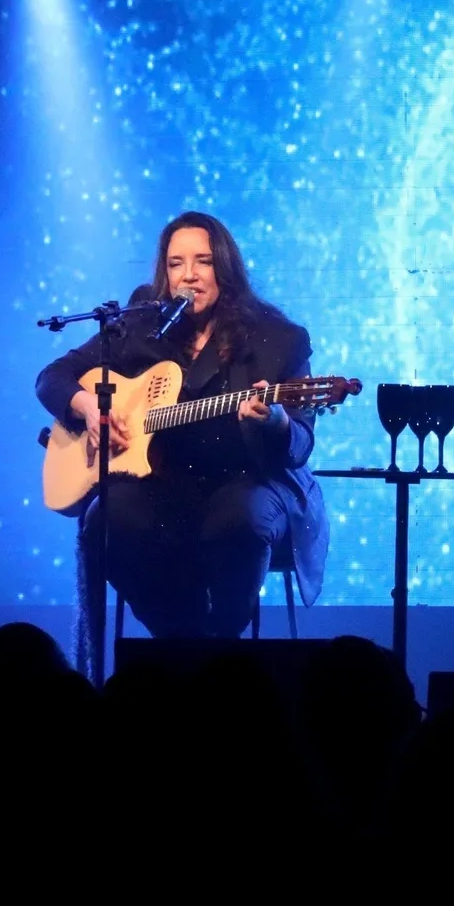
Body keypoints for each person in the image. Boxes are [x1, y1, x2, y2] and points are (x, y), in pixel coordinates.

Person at [36, 211, 328, 639]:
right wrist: (85, 406)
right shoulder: (140, 324)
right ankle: (179, 640)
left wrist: (278, 421)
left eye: (203, 262)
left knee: (237, 520)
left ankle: (220, 644)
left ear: (225, 267)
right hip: (164, 483)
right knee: (108, 518)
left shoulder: (277, 337)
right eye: (176, 264)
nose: (188, 275)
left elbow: (300, 443)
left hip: (248, 480)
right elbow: (52, 378)